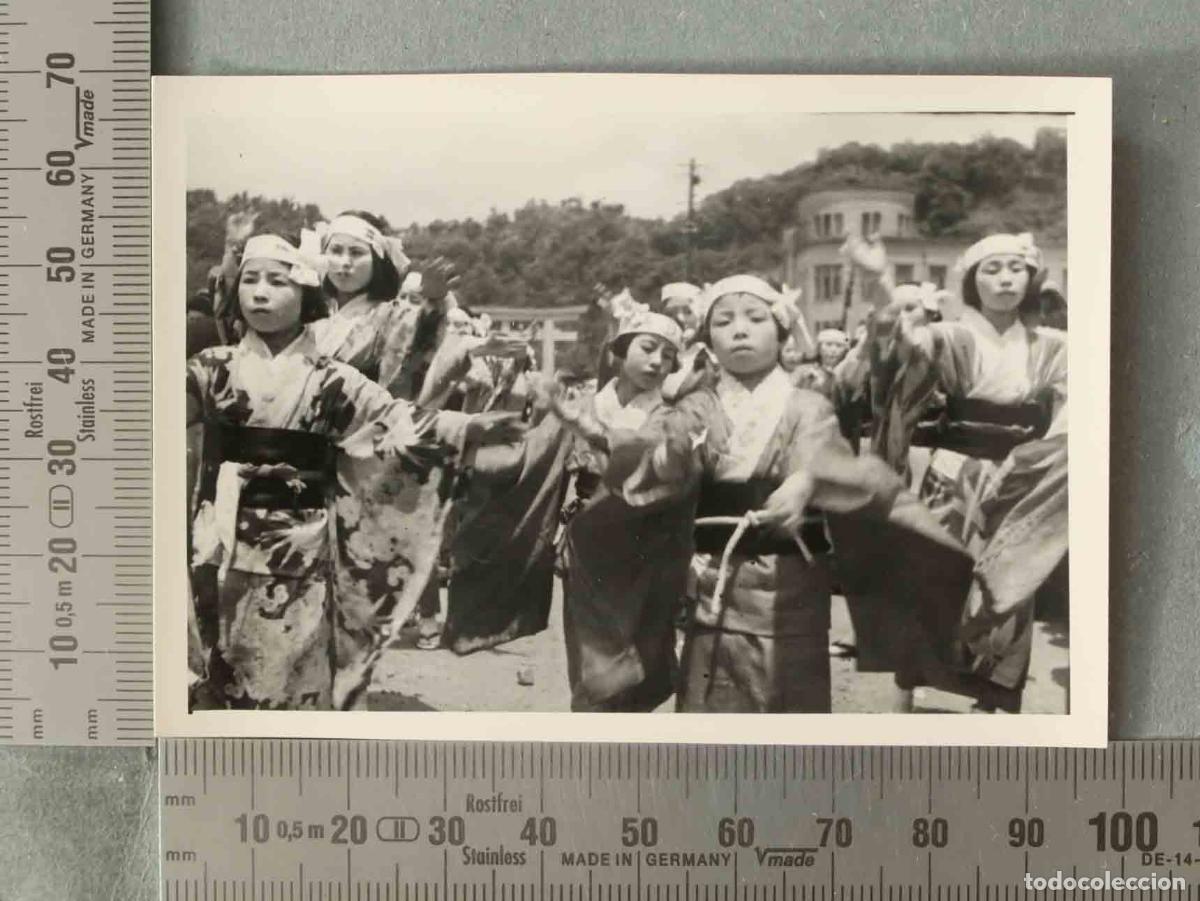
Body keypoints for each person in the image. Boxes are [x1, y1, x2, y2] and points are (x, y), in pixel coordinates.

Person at [552, 275, 972, 713]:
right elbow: (660, 457)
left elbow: (831, 458)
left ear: (782, 331)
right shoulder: (699, 406)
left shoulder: (806, 403)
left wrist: (806, 481)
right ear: (708, 341)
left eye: (755, 318)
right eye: (724, 321)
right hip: (716, 579)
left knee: (788, 709)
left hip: (789, 585)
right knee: (709, 709)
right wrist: (592, 429)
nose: (739, 329)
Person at [186, 232, 521, 711]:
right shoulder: (210, 368)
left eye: (277, 282)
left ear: (306, 297)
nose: (260, 291)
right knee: (220, 676)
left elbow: (395, 422)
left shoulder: (333, 379)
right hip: (216, 543)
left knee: (291, 679)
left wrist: (469, 426)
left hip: (298, 547)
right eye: (251, 280)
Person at [847, 232, 1068, 713]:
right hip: (954, 471)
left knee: (1008, 586)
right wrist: (879, 280)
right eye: (991, 269)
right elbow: (902, 346)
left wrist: (1042, 459)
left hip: (1021, 475)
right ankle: (912, 690)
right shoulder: (950, 336)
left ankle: (993, 697)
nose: (1005, 277)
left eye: (1015, 267)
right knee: (938, 579)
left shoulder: (1053, 346)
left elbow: (1077, 406)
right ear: (971, 281)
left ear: (1032, 278)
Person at [555, 298, 693, 711]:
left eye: (668, 356)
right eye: (647, 348)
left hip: (644, 537)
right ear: (619, 351)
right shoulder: (587, 400)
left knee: (642, 644)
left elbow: (646, 457)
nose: (657, 362)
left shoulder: (671, 413)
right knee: (590, 649)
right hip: (589, 536)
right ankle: (594, 721)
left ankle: (625, 722)